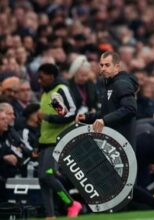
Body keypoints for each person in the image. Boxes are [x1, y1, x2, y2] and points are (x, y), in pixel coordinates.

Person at [76, 51, 154, 210]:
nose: (103, 68)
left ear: (117, 66)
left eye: (107, 65)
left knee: (123, 186)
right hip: (114, 139)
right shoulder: (110, 84)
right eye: (101, 65)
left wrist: (104, 120)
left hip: (122, 140)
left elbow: (130, 108)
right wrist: (87, 117)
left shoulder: (120, 84)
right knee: (121, 186)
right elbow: (107, 112)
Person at [37, 63, 82, 218]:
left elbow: (70, 113)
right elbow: (59, 115)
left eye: (41, 77)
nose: (39, 80)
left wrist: (48, 117)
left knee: (47, 175)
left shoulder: (59, 91)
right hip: (45, 142)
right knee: (42, 180)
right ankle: (50, 215)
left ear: (51, 76)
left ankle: (71, 203)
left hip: (57, 141)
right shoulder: (45, 94)